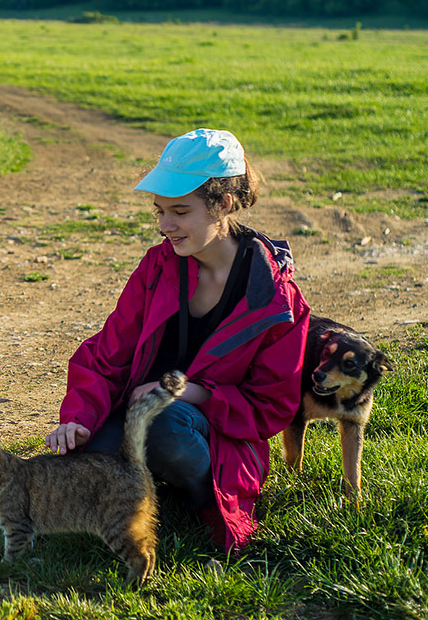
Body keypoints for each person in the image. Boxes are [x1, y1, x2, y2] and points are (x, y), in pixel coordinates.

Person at [45, 128, 309, 549]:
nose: (166, 226)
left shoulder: (275, 298)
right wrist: (78, 417)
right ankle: (148, 486)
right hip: (139, 417)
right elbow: (106, 355)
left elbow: (272, 406)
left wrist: (190, 393)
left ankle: (205, 501)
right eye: (160, 211)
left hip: (218, 439)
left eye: (181, 212)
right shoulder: (157, 268)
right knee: (88, 447)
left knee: (164, 422)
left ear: (223, 204)